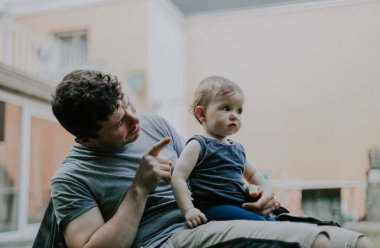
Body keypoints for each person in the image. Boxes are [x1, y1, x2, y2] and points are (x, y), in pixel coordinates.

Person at [50, 69, 373, 248]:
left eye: (129, 107)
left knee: (356, 243)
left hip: (213, 216)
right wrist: (139, 189)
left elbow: (206, 172)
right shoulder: (71, 177)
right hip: (170, 239)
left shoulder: (155, 125)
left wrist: (257, 191)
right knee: (321, 243)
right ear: (86, 139)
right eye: (120, 124)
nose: (137, 121)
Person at [172, 75, 273, 229]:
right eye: (226, 108)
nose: (234, 115)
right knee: (259, 224)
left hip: (239, 203)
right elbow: (178, 177)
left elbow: (252, 175)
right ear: (202, 114)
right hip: (213, 207)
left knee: (272, 220)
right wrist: (189, 210)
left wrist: (266, 193)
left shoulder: (236, 148)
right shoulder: (198, 145)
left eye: (239, 110)